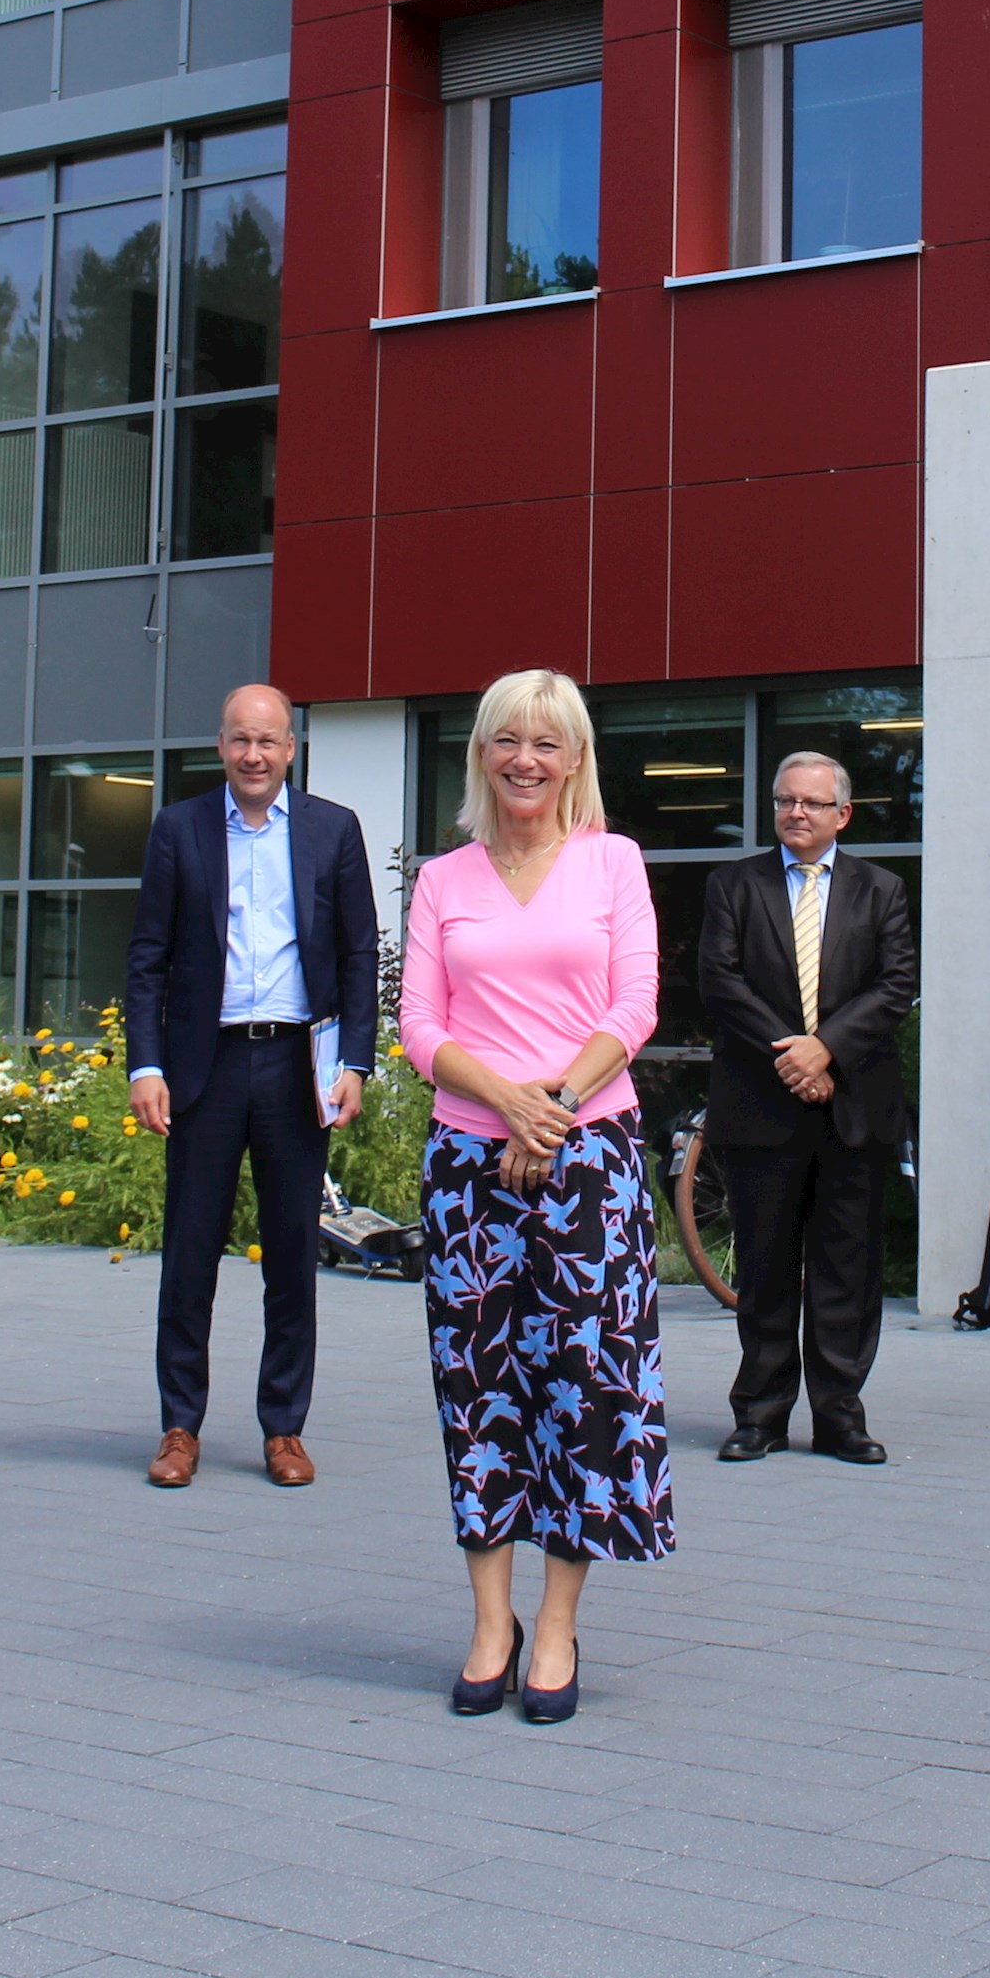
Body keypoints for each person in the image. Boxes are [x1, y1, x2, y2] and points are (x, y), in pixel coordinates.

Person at [399, 669, 670, 1724]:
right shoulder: (442, 880)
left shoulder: (614, 863)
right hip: (470, 1168)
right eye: (506, 740)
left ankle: (555, 1622)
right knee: (479, 1391)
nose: (525, 759)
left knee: (583, 1391)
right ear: (479, 751)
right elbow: (422, 1027)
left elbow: (635, 1002)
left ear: (574, 759)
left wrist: (549, 1106)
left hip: (588, 1155)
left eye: (547, 744)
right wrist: (505, 1103)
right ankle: (488, 1619)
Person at [126, 683, 383, 1489]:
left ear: (290, 748)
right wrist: (145, 1065)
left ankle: (284, 1429)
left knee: (293, 1256)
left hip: (295, 1066)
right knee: (190, 1254)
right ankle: (179, 1427)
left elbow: (357, 955)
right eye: (241, 740)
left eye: (268, 741)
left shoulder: (332, 830)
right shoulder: (180, 828)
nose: (254, 755)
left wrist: (356, 1064)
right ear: (221, 746)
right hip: (204, 1066)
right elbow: (147, 959)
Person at [695, 752, 917, 1466]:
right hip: (761, 1106)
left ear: (842, 814)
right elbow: (720, 981)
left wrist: (826, 1050)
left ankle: (838, 1416)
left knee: (846, 1269)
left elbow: (896, 986)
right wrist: (791, 1055)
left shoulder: (882, 890)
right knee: (764, 1266)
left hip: (852, 1107)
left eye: (813, 803)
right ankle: (759, 1413)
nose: (797, 812)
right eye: (786, 800)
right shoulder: (733, 884)